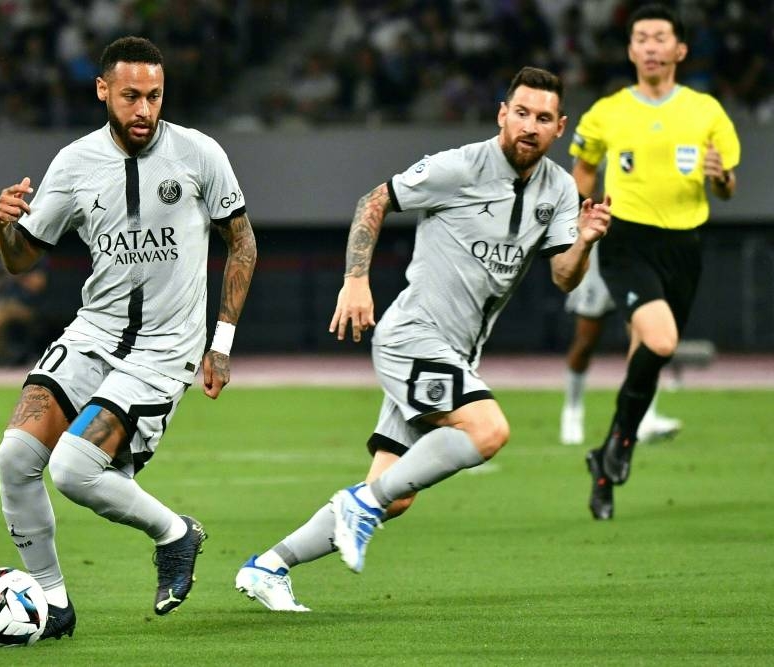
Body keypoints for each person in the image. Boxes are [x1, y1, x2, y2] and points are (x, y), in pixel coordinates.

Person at [235, 66, 611, 611]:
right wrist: (356, 280)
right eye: (522, 112)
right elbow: (374, 199)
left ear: (560, 128)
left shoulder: (557, 190)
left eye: (544, 118)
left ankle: (268, 566)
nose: (530, 125)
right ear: (503, 114)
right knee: (487, 430)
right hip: (413, 338)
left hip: (454, 355)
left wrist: (587, 242)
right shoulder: (460, 166)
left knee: (397, 494)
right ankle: (356, 507)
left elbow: (563, 276)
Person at [0, 36, 256, 637]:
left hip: (167, 346)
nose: (144, 109)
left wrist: (222, 343)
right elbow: (20, 259)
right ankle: (53, 604)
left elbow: (242, 240)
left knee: (73, 471)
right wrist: (3, 223)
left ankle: (175, 533)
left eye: (154, 96)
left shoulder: (199, 154)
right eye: (131, 96)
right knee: (15, 458)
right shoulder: (74, 162)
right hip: (95, 333)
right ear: (103, 91)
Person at [578, 4, 739, 520]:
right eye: (641, 37)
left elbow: (727, 185)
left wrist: (722, 177)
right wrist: (574, 217)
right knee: (662, 341)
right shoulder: (607, 111)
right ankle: (621, 445)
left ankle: (605, 463)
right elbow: (581, 170)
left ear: (680, 50)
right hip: (627, 242)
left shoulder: (707, 111)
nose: (650, 45)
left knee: (644, 363)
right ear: (630, 50)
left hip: (684, 247)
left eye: (660, 37)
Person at [559, 246, 682, 446]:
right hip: (598, 264)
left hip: (632, 260)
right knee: (585, 343)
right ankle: (572, 412)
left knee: (646, 339)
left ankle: (645, 417)